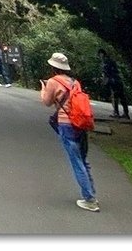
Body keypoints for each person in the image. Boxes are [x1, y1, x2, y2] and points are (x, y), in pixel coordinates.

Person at [40, 52, 99, 212]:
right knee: (83, 160)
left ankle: (89, 199)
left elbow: (47, 102)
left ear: (53, 67)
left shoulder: (53, 81)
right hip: (79, 124)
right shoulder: (75, 82)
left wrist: (43, 90)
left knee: (76, 161)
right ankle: (91, 193)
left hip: (66, 125)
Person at [100, 48, 130, 119]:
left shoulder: (105, 61)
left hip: (113, 81)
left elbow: (105, 73)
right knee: (122, 96)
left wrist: (104, 82)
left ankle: (116, 112)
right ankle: (126, 113)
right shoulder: (112, 61)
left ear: (102, 54)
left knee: (115, 96)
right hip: (118, 80)